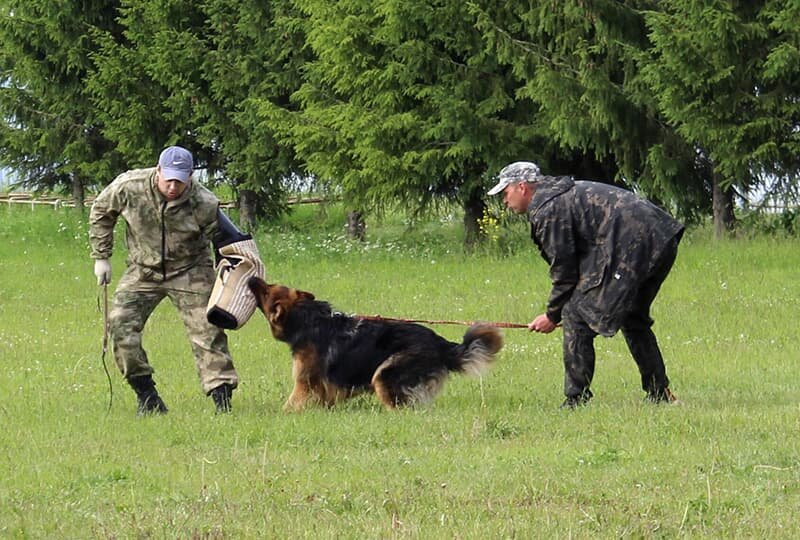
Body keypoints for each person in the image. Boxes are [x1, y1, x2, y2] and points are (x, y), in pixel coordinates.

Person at [488, 161, 684, 408]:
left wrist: (552, 315)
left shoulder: (549, 209)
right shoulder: (557, 196)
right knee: (633, 317)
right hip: (662, 238)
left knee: (575, 316)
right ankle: (659, 393)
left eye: (505, 193)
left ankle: (575, 400)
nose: (504, 201)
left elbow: (565, 271)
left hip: (637, 244)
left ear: (522, 187)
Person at [89, 145, 247, 415]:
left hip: (190, 269)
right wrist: (101, 256)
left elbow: (226, 242)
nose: (173, 186)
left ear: (190, 177)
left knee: (208, 333)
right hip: (142, 269)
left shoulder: (204, 202)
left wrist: (235, 277)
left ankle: (223, 404)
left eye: (180, 180)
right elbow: (101, 211)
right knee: (120, 326)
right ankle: (147, 397)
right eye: (169, 178)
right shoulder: (129, 186)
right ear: (158, 171)